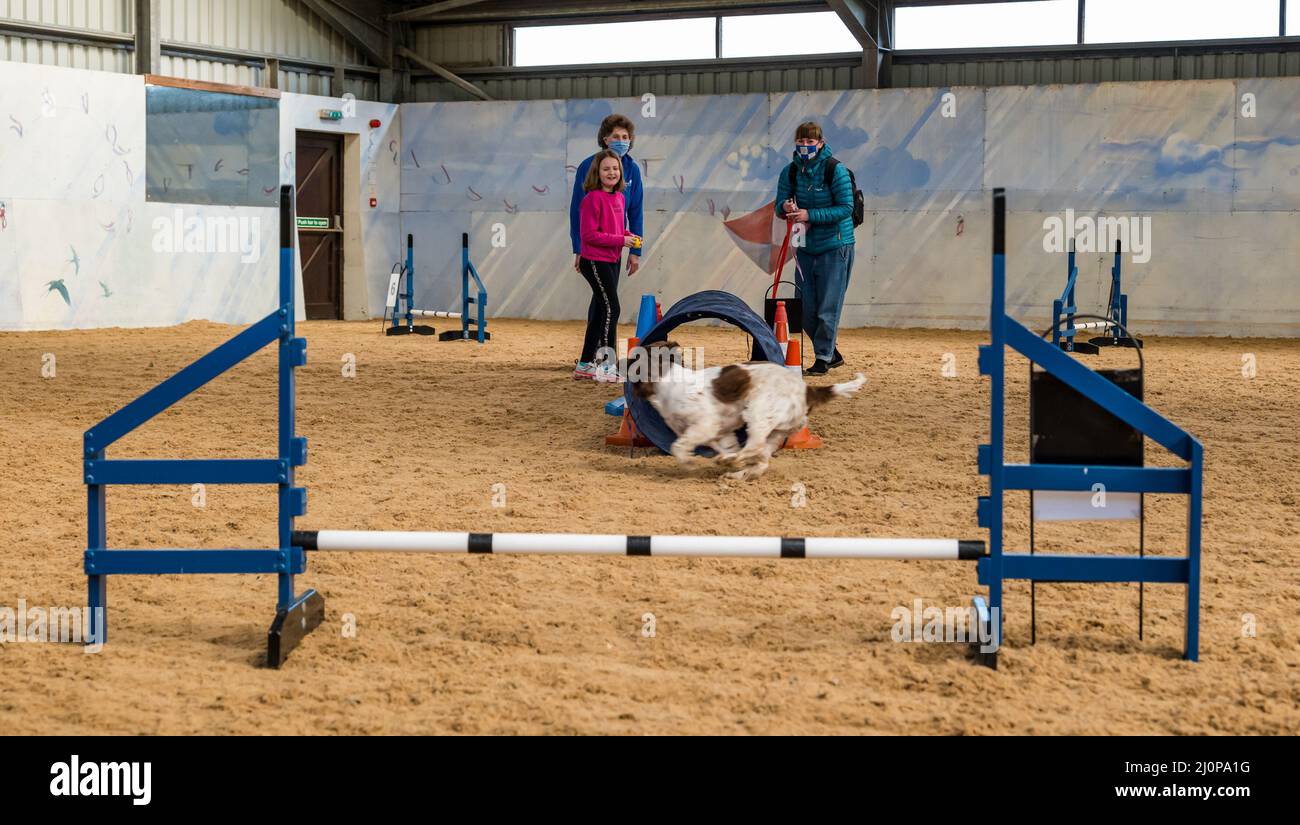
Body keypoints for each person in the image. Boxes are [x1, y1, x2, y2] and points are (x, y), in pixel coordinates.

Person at [773, 121, 855, 375]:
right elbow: (778, 205)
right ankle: (831, 351)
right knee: (805, 307)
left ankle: (823, 358)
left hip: (836, 245)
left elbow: (846, 208)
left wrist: (810, 214)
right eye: (801, 142)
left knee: (828, 306)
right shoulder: (790, 172)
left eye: (810, 142)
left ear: (821, 143)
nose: (805, 146)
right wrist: (785, 208)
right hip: (805, 247)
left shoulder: (835, 170)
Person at [575, 150, 640, 382]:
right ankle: (606, 366)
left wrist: (627, 235)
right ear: (597, 173)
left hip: (612, 260)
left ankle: (584, 365)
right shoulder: (591, 199)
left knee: (602, 311)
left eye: (615, 168)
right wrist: (621, 240)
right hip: (594, 261)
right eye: (606, 169)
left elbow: (615, 229)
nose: (611, 172)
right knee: (613, 309)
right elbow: (589, 235)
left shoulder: (620, 198)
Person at [569, 114, 644, 278]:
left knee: (604, 300)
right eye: (616, 137)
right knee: (607, 300)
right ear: (605, 140)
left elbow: (636, 212)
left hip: (615, 248)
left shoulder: (633, 170)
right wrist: (578, 248)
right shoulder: (587, 166)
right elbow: (577, 212)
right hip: (593, 250)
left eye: (625, 137)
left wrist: (635, 250)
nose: (621, 141)